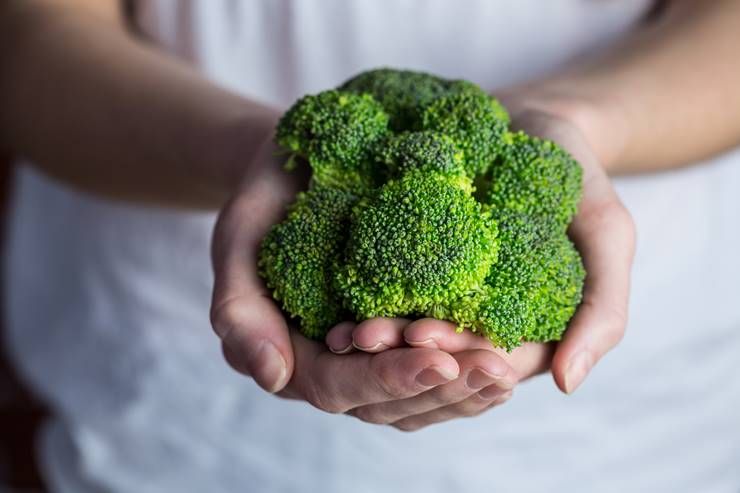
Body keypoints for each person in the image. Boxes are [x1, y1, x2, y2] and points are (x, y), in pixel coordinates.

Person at [1, 0, 739, 491]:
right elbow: (32, 33)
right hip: (156, 405)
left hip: (642, 433)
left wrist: (582, 117)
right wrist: (249, 150)